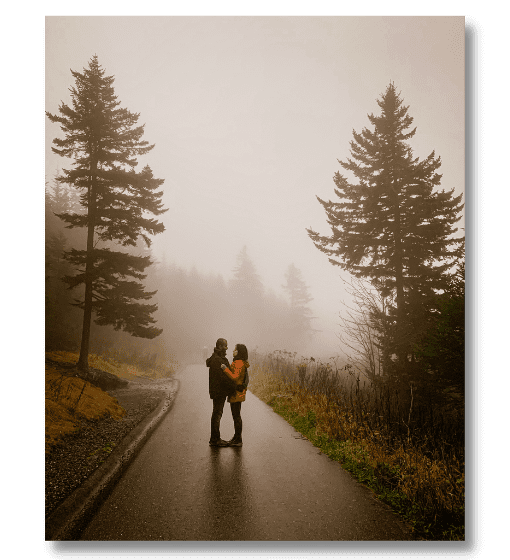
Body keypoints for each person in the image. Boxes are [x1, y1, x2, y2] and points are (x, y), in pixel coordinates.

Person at [205, 338, 236, 447]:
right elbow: (224, 378)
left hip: (217, 391)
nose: (226, 348)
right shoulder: (218, 360)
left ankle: (214, 438)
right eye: (224, 346)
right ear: (219, 346)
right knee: (217, 414)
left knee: (216, 414)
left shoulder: (216, 358)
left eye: (226, 345)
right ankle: (215, 439)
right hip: (219, 391)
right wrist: (233, 388)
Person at [220, 343, 250, 447]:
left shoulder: (238, 363)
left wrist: (225, 369)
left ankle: (238, 439)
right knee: (237, 415)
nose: (233, 351)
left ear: (239, 352)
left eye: (235, 349)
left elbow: (234, 377)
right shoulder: (242, 362)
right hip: (239, 392)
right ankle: (237, 438)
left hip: (236, 393)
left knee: (236, 416)